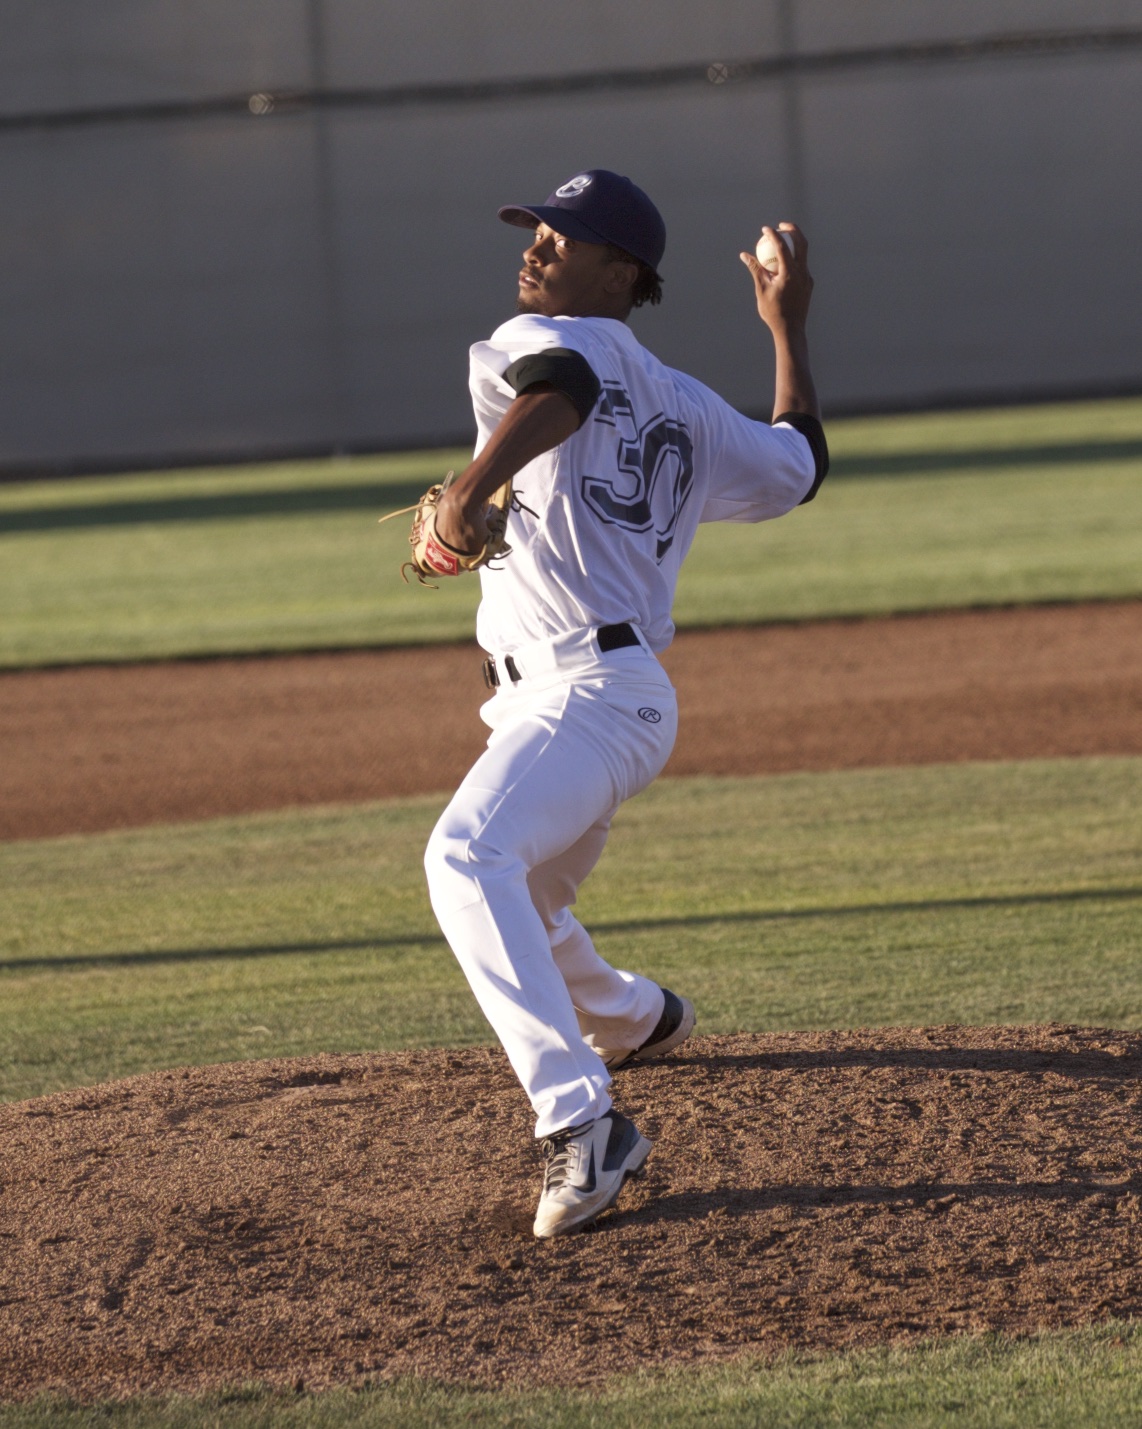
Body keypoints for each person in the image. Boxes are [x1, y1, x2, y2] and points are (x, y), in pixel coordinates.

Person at [422, 169, 827, 1238]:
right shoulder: (688, 404)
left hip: (586, 695)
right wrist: (785, 329)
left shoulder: (553, 343)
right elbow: (799, 465)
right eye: (536, 230)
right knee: (531, 895)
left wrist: (468, 491)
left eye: (565, 238)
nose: (538, 247)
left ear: (622, 272)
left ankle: (581, 1123)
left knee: (466, 857)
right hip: (599, 699)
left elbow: (561, 382)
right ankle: (635, 1017)